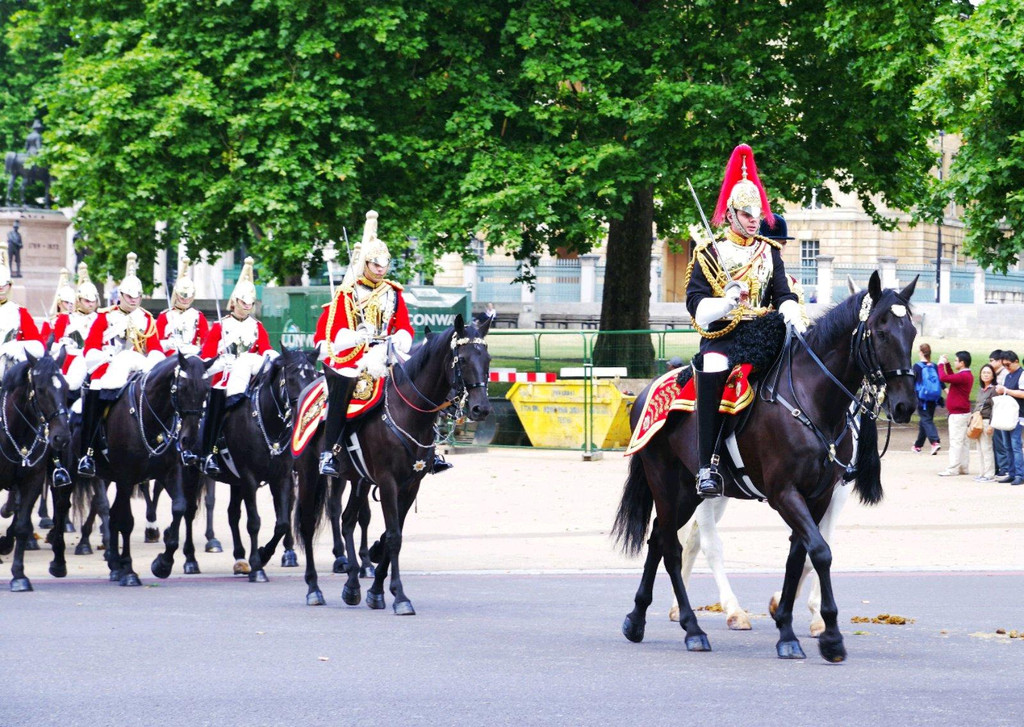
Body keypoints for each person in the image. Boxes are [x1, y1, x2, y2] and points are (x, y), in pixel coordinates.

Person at [684, 144, 804, 498]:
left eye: (757, 213)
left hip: (766, 330)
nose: (755, 219)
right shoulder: (709, 253)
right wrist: (726, 300)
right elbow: (696, 307)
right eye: (747, 213)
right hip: (726, 334)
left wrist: (791, 312)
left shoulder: (769, 251)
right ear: (731, 214)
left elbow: (783, 293)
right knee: (715, 366)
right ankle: (707, 465)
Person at [315, 210, 418, 477]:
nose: (380, 269)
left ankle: (428, 448)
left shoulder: (393, 293)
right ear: (366, 264)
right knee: (343, 386)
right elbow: (334, 331)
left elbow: (404, 325)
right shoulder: (347, 294)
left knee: (420, 378)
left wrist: (399, 338)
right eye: (375, 264)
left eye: (384, 264)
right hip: (354, 356)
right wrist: (358, 335)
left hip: (386, 351)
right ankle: (331, 452)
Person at [77, 253, 166, 477]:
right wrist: (106, 355)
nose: (134, 300)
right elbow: (90, 351)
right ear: (121, 295)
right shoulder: (104, 317)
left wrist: (153, 360)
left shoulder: (147, 319)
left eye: (137, 296)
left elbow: (155, 348)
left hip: (138, 369)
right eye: (129, 296)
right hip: (107, 369)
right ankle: (87, 453)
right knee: (95, 393)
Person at [198, 256, 277, 476]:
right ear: (235, 301)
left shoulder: (257, 326)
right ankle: (208, 453)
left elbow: (265, 350)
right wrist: (223, 362)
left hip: (250, 380)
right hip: (223, 380)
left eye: (251, 303)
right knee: (214, 410)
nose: (248, 307)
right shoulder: (220, 327)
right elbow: (206, 364)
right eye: (244, 303)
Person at [0, 246, 43, 375]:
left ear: (9, 286)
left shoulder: (19, 312)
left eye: (4, 285)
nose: (1, 288)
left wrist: (17, 347)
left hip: (10, 366)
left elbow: (38, 346)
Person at [157, 256, 209, 357]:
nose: (186, 300)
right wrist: (168, 344)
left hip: (191, 355)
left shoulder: (198, 316)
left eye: (189, 296)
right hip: (169, 355)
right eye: (182, 296)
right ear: (176, 295)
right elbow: (156, 342)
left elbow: (205, 340)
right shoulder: (165, 315)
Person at [937, 351, 974, 477]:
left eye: (956, 360)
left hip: (958, 414)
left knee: (956, 442)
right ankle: (963, 467)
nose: (954, 362)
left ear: (962, 363)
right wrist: (947, 365)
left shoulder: (963, 376)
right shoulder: (965, 375)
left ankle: (953, 468)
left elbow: (944, 378)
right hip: (962, 413)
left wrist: (941, 365)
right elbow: (953, 378)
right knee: (963, 442)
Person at [995, 350, 1024, 486]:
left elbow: (1023, 394)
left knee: (1015, 445)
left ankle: (1020, 474)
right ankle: (1012, 473)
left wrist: (1006, 391)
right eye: (1004, 365)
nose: (1006, 367)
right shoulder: (1008, 376)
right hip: (1007, 415)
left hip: (1018, 415)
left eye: (1008, 364)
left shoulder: (1022, 374)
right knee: (1007, 445)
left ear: (1016, 361)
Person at [912, 343, 943, 455]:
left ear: (921, 352)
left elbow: (912, 382)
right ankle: (917, 446)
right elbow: (940, 381)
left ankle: (934, 442)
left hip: (922, 398)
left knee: (926, 420)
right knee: (925, 421)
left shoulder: (917, 366)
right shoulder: (934, 366)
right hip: (933, 398)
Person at [989, 350, 1012, 482]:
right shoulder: (997, 375)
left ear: (999, 361)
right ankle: (1000, 467)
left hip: (1003, 412)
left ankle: (1005, 469)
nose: (990, 363)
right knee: (998, 442)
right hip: (997, 412)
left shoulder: (1004, 375)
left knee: (1002, 442)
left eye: (992, 360)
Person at [972, 363, 998, 482]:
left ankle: (989, 474)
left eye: (988, 373)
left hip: (987, 421)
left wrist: (992, 425)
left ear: (993, 375)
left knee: (986, 448)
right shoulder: (981, 390)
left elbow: (995, 408)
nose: (986, 375)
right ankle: (982, 472)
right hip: (978, 421)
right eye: (984, 373)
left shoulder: (994, 390)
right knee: (980, 448)